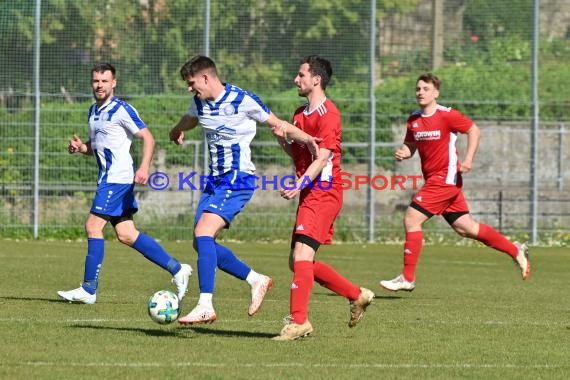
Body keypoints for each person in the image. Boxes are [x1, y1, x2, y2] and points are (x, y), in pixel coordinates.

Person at [169, 55, 320, 325]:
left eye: (192, 83)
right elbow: (192, 118)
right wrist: (177, 129)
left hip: (237, 179)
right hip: (215, 181)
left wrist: (307, 138)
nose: (190, 88)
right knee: (201, 242)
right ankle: (256, 279)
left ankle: (205, 305)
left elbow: (277, 124)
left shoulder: (242, 100)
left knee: (204, 232)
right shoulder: (199, 102)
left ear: (206, 77)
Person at [379, 72, 531, 292]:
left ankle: (407, 278)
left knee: (412, 218)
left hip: (445, 179)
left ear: (436, 93)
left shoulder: (446, 115)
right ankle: (516, 250)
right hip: (435, 180)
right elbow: (410, 146)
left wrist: (468, 159)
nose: (420, 92)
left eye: (426, 89)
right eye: (418, 89)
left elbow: (473, 130)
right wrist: (404, 152)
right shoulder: (413, 120)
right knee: (466, 228)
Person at [57, 63, 192, 305]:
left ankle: (88, 289)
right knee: (127, 234)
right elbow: (97, 146)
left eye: (104, 81)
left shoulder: (121, 109)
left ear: (114, 83)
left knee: (92, 226)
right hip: (109, 178)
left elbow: (148, 138)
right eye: (96, 81)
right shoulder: (93, 111)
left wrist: (143, 167)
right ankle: (177, 269)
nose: (99, 85)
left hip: (117, 179)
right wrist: (81, 148)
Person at [271, 55, 375, 341]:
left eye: (301, 74)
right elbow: (300, 154)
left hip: (324, 191)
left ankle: (299, 321)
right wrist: (281, 138)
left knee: (303, 256)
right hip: (309, 191)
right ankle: (357, 295)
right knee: (297, 262)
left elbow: (323, 158)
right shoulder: (299, 114)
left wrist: (298, 184)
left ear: (316, 79)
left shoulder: (330, 115)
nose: (296, 79)